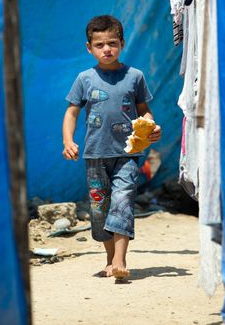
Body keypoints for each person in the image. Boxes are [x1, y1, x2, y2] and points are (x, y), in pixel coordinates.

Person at [62, 15, 162, 281]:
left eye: (112, 43)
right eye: (100, 45)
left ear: (122, 43)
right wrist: (68, 141)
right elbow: (71, 112)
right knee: (100, 209)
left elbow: (145, 112)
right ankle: (109, 260)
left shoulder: (135, 77)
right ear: (89, 48)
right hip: (95, 154)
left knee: (123, 201)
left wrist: (151, 127)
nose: (107, 49)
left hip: (128, 154)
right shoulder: (84, 79)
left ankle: (120, 259)